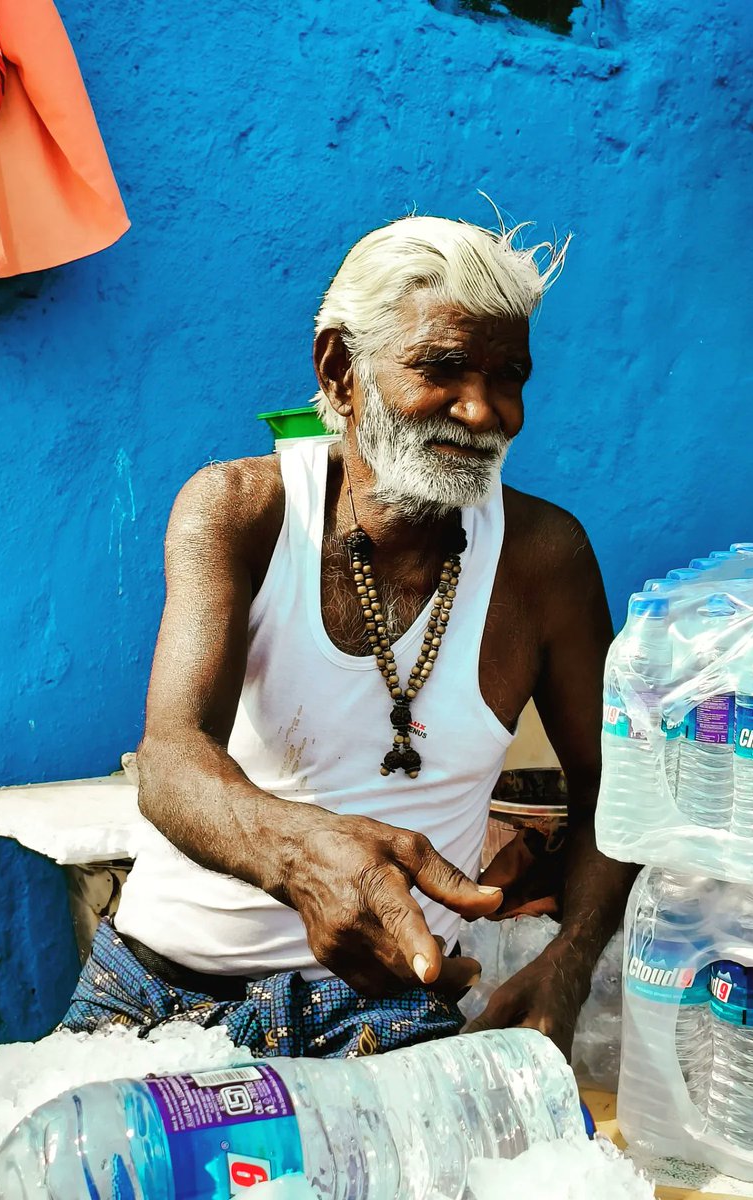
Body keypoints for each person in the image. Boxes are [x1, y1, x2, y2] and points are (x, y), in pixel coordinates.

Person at [60, 214, 634, 1060]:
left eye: (509, 375)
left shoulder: (545, 559)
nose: (484, 411)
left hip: (386, 1003)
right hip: (159, 985)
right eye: (441, 368)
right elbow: (172, 760)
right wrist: (306, 853)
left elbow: (616, 795)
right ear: (341, 370)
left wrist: (570, 963)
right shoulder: (239, 511)